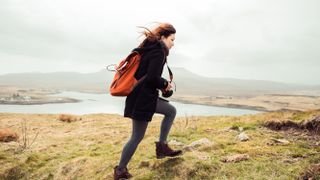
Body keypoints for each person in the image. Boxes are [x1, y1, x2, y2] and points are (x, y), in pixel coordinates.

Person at [114, 23, 182, 180]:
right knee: (137, 136)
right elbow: (152, 77)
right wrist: (165, 84)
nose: (173, 43)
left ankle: (162, 147)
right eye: (172, 39)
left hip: (142, 97)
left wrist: (163, 86)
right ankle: (120, 170)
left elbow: (148, 77)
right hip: (142, 100)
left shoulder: (150, 49)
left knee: (170, 111)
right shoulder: (158, 52)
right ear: (163, 37)